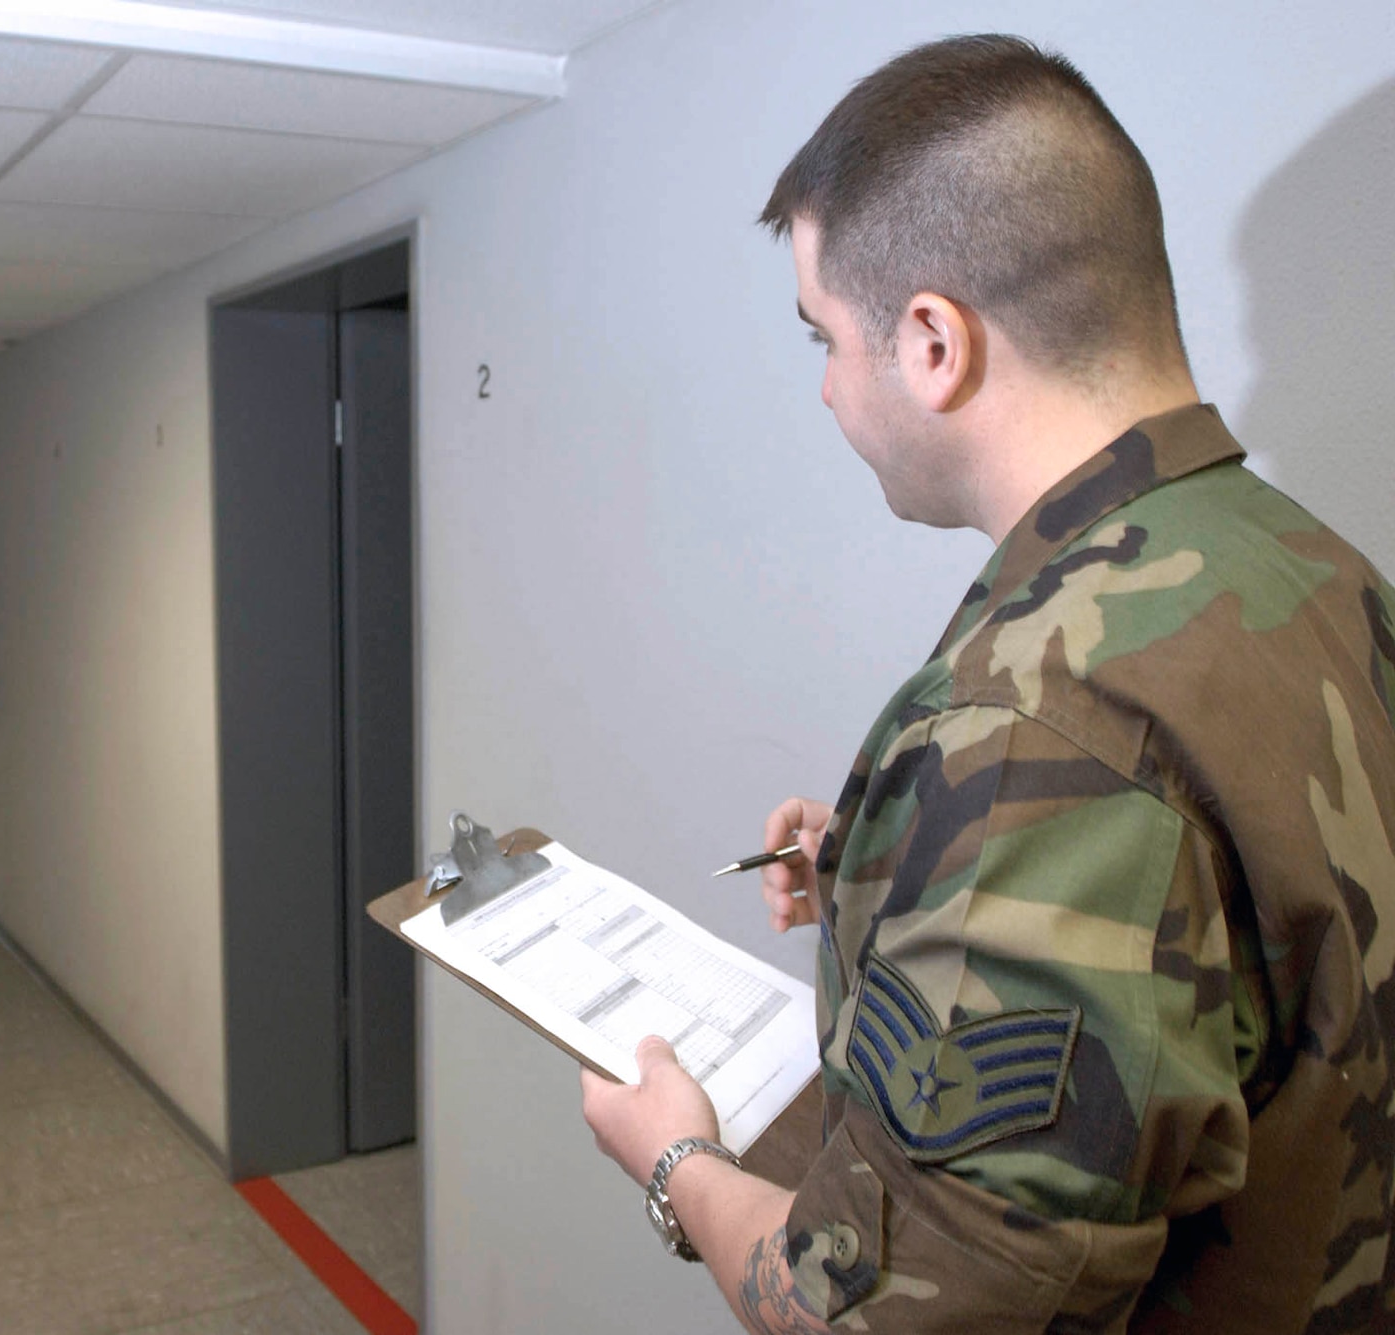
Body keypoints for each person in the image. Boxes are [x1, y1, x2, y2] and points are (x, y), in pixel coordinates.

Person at [581, 35, 1395, 1334]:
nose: (827, 390)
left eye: (822, 339)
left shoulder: (1030, 730)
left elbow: (878, 1319)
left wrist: (675, 1160)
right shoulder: (1326, 574)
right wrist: (905, 873)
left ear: (931, 343)